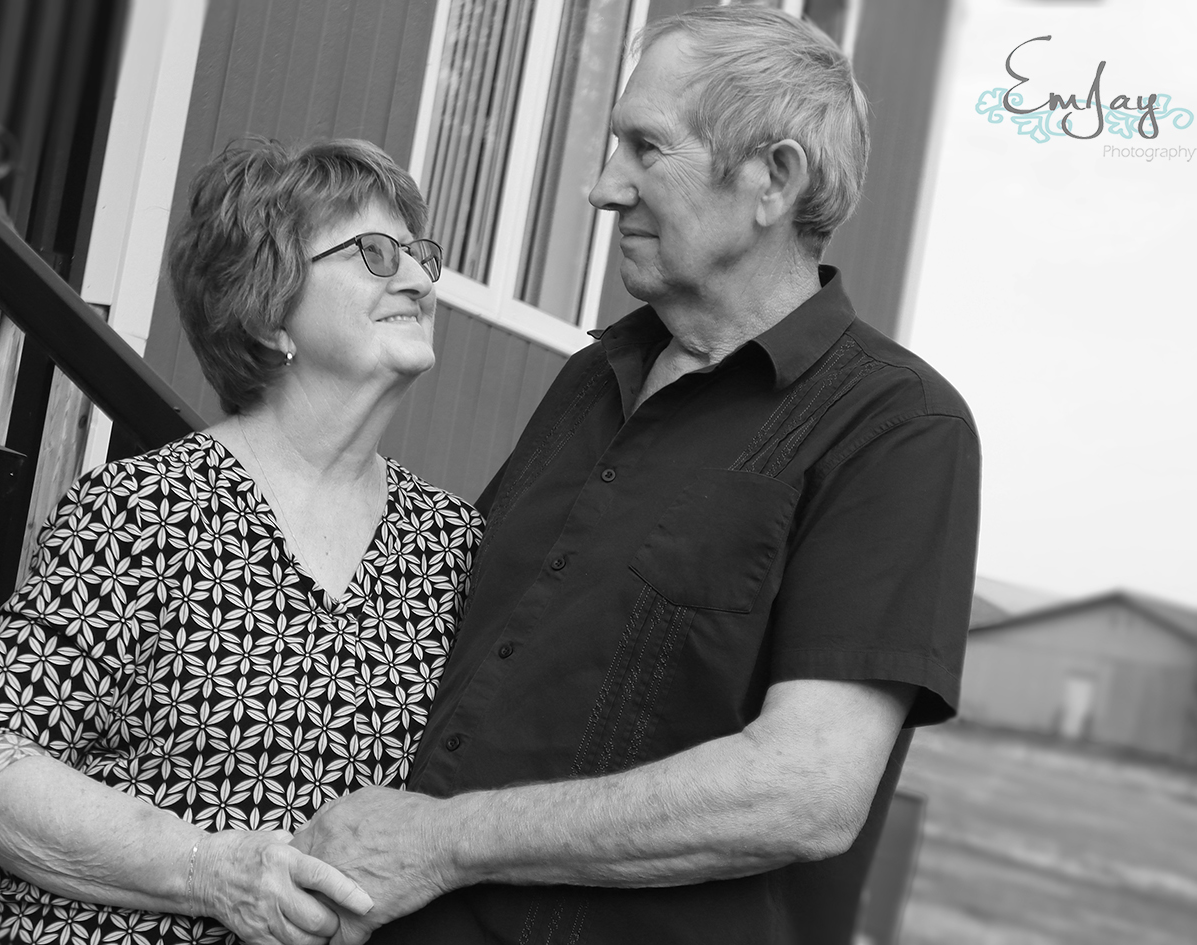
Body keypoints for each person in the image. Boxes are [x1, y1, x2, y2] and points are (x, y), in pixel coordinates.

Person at [291, 6, 982, 944]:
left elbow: (805, 788)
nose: (602, 188)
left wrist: (445, 841)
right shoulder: (595, 375)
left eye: (647, 148)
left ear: (774, 179)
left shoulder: (898, 428)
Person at [0, 137, 483, 945]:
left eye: (420, 255)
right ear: (270, 308)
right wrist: (209, 868)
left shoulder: (452, 546)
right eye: (374, 253)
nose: (420, 281)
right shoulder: (147, 508)